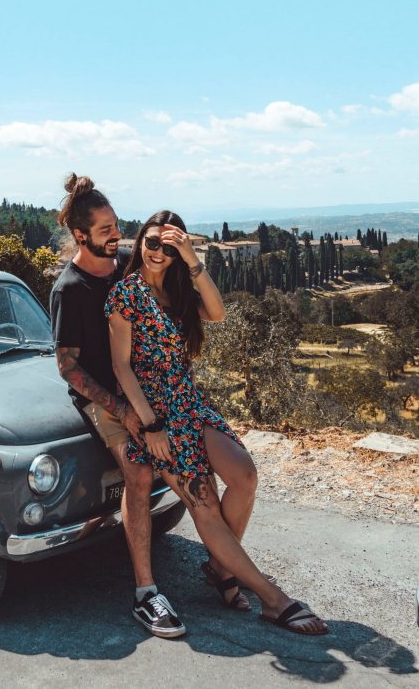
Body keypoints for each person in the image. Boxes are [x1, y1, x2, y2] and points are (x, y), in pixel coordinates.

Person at [105, 210, 328, 635]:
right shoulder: (125, 295)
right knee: (203, 503)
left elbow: (219, 313)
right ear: (139, 244)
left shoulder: (181, 289)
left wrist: (192, 259)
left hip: (190, 404)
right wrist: (151, 427)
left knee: (244, 475)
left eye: (169, 246)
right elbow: (121, 368)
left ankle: (221, 568)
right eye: (152, 242)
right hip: (158, 418)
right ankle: (272, 599)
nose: (159, 252)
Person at [50, 174, 185, 638]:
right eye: (106, 228)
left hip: (147, 387)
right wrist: (123, 411)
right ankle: (146, 593)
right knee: (140, 471)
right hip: (104, 399)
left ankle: (226, 572)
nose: (116, 233)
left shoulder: (128, 265)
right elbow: (68, 368)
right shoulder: (69, 289)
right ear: (81, 235)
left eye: (116, 224)